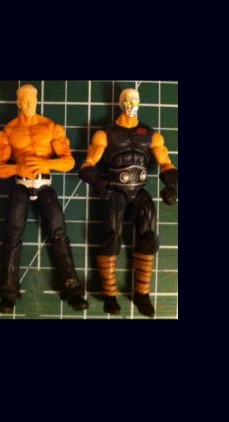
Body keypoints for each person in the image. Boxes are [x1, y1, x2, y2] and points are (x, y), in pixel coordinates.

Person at [79, 88, 178, 317]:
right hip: (116, 190)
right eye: (127, 101)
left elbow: (166, 163)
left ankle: (142, 294)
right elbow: (87, 166)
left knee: (149, 236)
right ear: (120, 103)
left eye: (135, 101)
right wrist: (100, 184)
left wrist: (172, 186)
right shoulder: (105, 134)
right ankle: (109, 294)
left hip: (139, 191)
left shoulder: (151, 135)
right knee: (111, 236)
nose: (131, 105)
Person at [0, 84, 88, 313]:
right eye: (23, 100)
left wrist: (46, 163)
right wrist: (17, 168)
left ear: (37, 100)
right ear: (17, 102)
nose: (27, 104)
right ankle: (8, 291)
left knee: (58, 231)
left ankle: (72, 288)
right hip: (21, 184)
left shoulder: (51, 127)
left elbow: (69, 162)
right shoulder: (8, 131)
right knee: (12, 233)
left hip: (44, 184)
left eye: (31, 99)